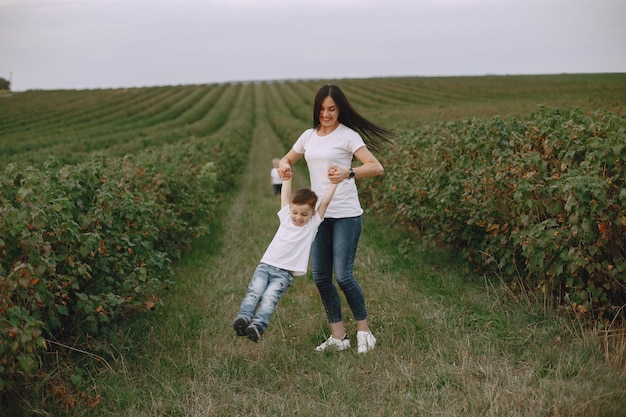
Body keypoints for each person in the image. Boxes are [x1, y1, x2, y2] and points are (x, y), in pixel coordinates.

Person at [278, 84, 393, 354]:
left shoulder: (348, 135)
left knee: (343, 275)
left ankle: (364, 332)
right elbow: (288, 158)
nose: (326, 114)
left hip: (346, 214)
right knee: (320, 277)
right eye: (321, 109)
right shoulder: (308, 136)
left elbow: (376, 167)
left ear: (340, 108)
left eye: (331, 109)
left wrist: (348, 172)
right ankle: (338, 337)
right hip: (317, 216)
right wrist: (284, 165)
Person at [233, 174, 338, 343]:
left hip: (284, 274)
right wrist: (287, 178)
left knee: (269, 298)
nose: (298, 217)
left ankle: (258, 326)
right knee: (254, 292)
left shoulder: (312, 225)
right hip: (266, 265)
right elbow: (285, 194)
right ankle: (243, 318)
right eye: (295, 212)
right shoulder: (285, 219)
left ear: (312, 213)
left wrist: (334, 184)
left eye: (304, 214)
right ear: (290, 209)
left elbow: (324, 203)